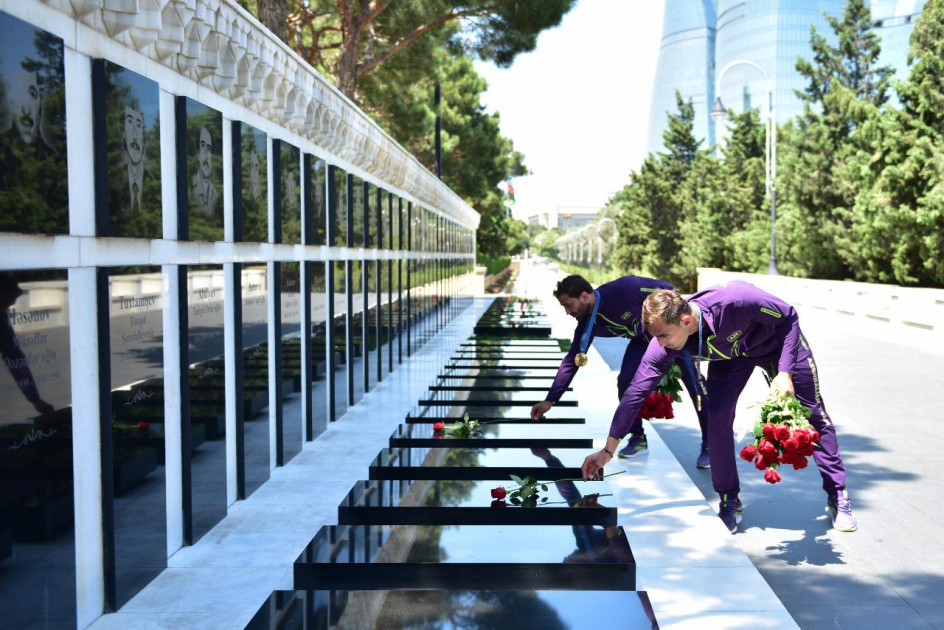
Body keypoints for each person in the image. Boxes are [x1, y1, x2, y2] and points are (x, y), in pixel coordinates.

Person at [580, 281, 857, 534]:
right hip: (731, 357)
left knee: (814, 414)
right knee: (717, 421)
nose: (661, 344)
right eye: (656, 338)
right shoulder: (664, 343)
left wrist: (784, 372)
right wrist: (608, 450)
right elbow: (634, 395)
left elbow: (789, 317)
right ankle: (729, 499)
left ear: (686, 320)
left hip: (777, 345)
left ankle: (838, 494)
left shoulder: (736, 300)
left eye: (664, 336)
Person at [530, 274, 709, 466]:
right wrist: (550, 399)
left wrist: (670, 323)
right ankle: (638, 437)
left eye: (568, 305)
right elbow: (571, 361)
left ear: (583, 296)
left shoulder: (623, 289)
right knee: (625, 382)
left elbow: (668, 287)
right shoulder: (587, 323)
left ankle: (710, 443)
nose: (567, 311)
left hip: (671, 335)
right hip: (642, 343)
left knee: (696, 384)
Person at [191, 126, 218, 217]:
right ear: (198, 155)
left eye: (209, 148)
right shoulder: (191, 188)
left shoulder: (216, 195)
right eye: (203, 146)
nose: (206, 155)